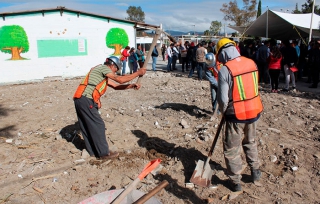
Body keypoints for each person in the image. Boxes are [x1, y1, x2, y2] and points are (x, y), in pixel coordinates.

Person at [73, 56, 146, 160]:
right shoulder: (104, 68)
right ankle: (103, 153)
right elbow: (120, 80)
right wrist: (138, 73)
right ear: (112, 65)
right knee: (98, 125)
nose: (115, 72)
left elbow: (116, 86)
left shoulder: (100, 74)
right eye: (116, 69)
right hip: (86, 99)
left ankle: (92, 152)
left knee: (86, 126)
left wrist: (131, 85)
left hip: (79, 98)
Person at [216, 38, 263, 192]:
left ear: (222, 53)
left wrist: (223, 112)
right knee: (250, 141)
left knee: (231, 149)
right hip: (254, 110)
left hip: (236, 114)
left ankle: (235, 181)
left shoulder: (225, 69)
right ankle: (255, 171)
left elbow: (223, 98)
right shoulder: (252, 63)